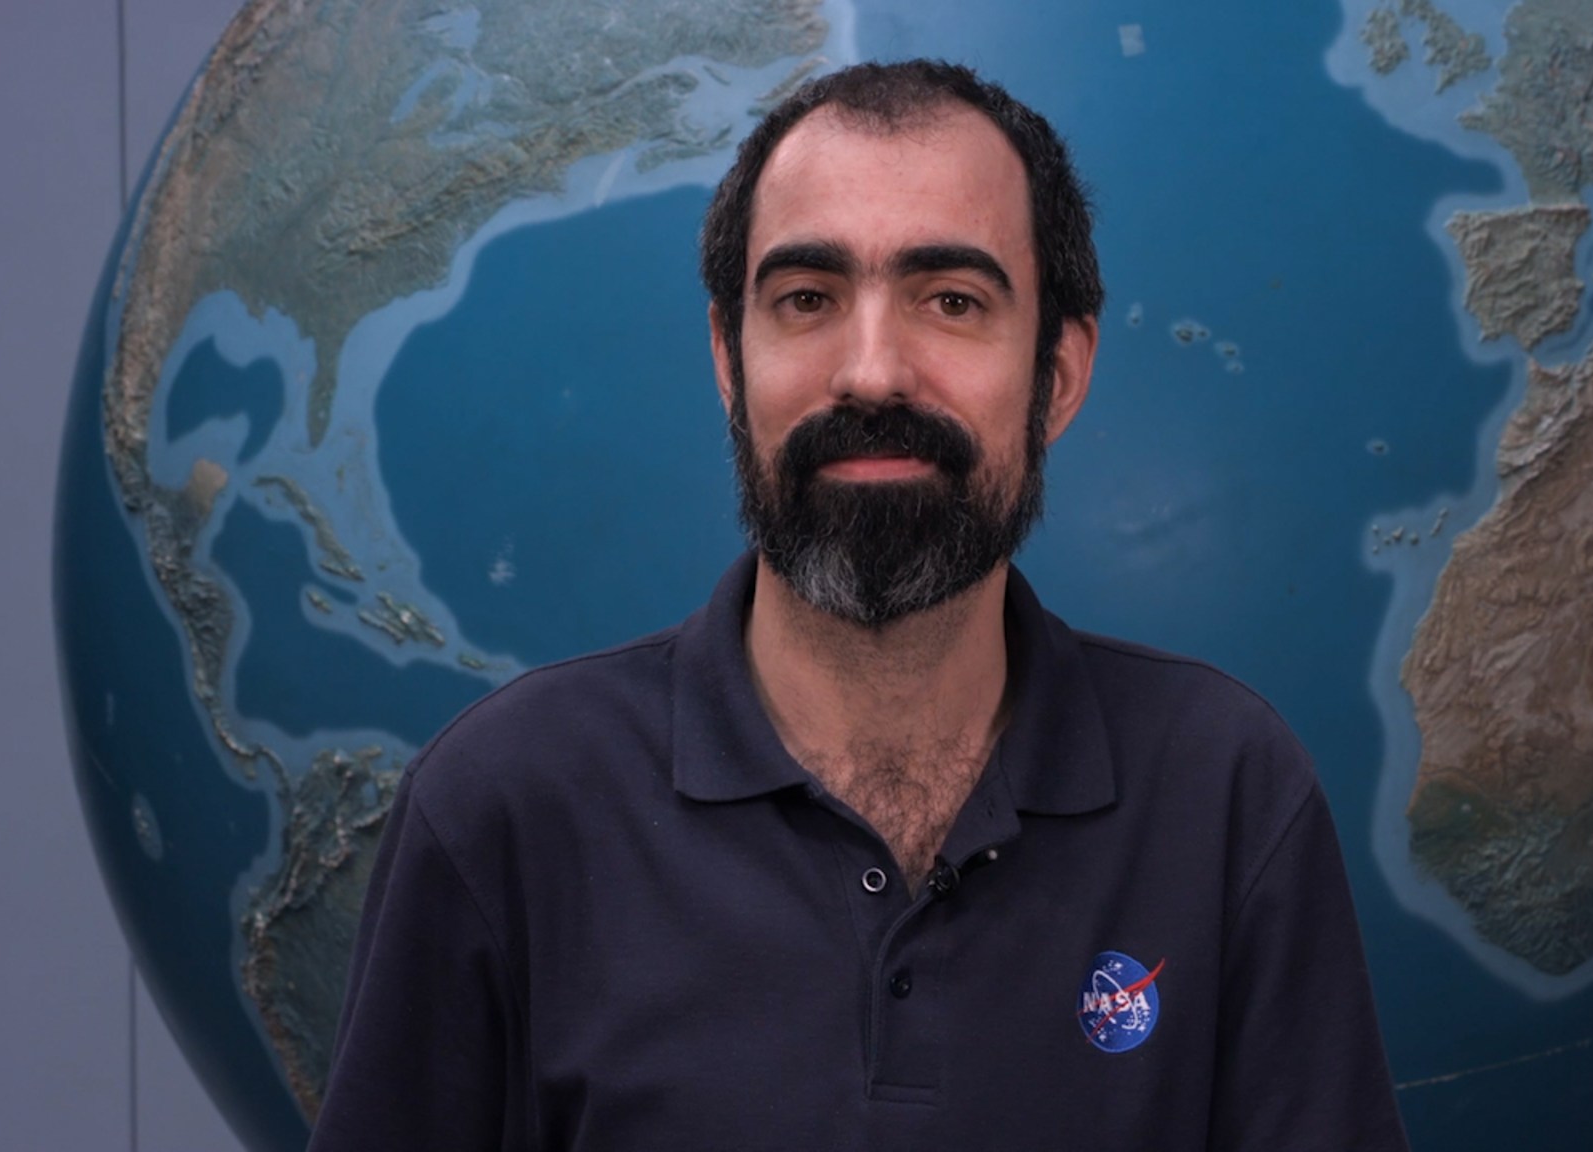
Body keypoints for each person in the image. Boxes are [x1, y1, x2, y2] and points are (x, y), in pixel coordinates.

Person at [309, 59, 1409, 1151]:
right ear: (730, 366)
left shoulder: (1226, 794)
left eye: (950, 301)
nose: (872, 373)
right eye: (806, 300)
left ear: (1057, 375)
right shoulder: (504, 806)